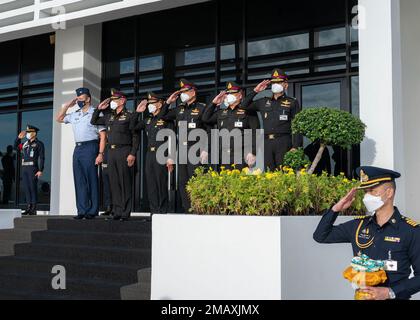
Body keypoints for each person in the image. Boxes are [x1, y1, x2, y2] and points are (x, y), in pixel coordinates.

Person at [313, 166, 420, 300]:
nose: (367, 196)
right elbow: (321, 236)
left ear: (389, 193)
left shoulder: (410, 231)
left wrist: (390, 292)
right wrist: (336, 208)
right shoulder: (358, 226)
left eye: (373, 191)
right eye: (365, 192)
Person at [56, 87, 106, 220]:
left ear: (88, 99)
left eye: (81, 98)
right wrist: (67, 106)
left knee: (91, 179)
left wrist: (100, 153)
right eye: (77, 99)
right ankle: (82, 210)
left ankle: (92, 210)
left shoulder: (96, 113)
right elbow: (59, 118)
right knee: (79, 180)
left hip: (91, 146)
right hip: (78, 148)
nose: (79, 101)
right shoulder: (75, 114)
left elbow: (103, 135)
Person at [161, 79, 209, 213]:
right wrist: (168, 102)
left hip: (196, 149)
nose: (182, 94)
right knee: (183, 182)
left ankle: (199, 209)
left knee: (196, 180)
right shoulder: (179, 109)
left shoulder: (202, 108)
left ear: (193, 92)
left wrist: (206, 149)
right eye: (181, 92)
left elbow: (209, 130)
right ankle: (188, 209)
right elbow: (162, 115)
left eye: (185, 91)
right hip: (182, 150)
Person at [91, 90, 139, 221]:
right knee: (114, 182)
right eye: (111, 100)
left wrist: (133, 153)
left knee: (125, 182)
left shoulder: (130, 115)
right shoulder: (109, 116)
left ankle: (125, 212)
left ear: (122, 101)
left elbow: (135, 136)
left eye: (115, 99)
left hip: (124, 151)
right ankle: (117, 211)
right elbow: (93, 121)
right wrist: (99, 108)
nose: (112, 102)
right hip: (111, 152)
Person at [241, 69, 300, 171]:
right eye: (273, 82)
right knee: (269, 172)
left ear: (285, 85)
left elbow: (297, 126)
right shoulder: (264, 101)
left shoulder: (292, 102)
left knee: (284, 172)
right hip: (267, 142)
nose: (275, 84)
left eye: (279, 82)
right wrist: (256, 91)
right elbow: (244, 105)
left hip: (284, 142)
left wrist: (295, 146)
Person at [202, 82, 257, 171]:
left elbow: (256, 133)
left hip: (242, 155)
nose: (229, 95)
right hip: (224, 155)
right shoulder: (221, 112)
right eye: (228, 93)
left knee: (240, 183)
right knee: (225, 183)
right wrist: (213, 103)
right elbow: (205, 118)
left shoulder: (247, 111)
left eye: (232, 93)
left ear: (240, 95)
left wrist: (253, 152)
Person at [135, 92, 171, 214]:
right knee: (151, 184)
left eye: (152, 103)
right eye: (149, 103)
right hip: (149, 154)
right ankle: (154, 211)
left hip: (162, 153)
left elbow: (172, 138)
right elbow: (132, 127)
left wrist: (170, 157)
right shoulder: (148, 120)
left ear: (160, 104)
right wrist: (138, 112)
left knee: (161, 183)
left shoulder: (166, 118)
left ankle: (162, 211)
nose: (150, 105)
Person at [14, 125, 45, 216]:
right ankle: (28, 207)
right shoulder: (25, 144)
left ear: (34, 133)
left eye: (29, 132)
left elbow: (42, 157)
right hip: (24, 168)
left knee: (32, 187)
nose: (27, 134)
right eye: (27, 132)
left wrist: (40, 169)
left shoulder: (39, 144)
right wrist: (18, 138)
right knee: (26, 188)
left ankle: (33, 208)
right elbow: (15, 147)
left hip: (32, 168)